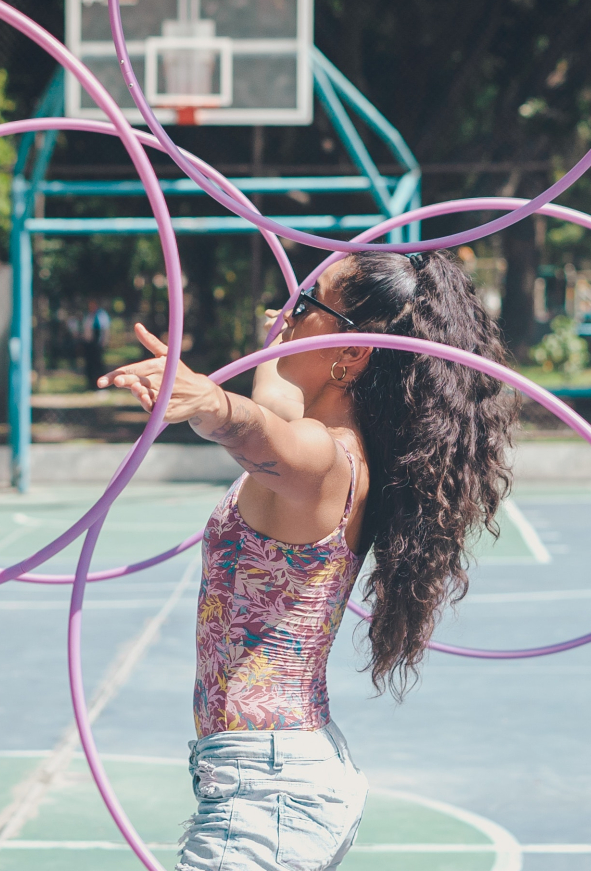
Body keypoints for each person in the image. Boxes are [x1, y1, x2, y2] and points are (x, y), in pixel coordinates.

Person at [100, 250, 519, 870]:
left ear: (351, 354)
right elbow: (277, 395)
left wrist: (213, 404)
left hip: (267, 792)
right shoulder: (339, 437)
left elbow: (259, 430)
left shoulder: (328, 461)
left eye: (305, 301)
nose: (285, 310)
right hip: (274, 776)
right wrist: (292, 330)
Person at [80, 299, 113, 389]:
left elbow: (104, 330)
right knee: (89, 365)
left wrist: (103, 342)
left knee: (98, 365)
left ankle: (101, 385)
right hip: (88, 344)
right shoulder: (88, 315)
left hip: (97, 344)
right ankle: (91, 384)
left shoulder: (101, 315)